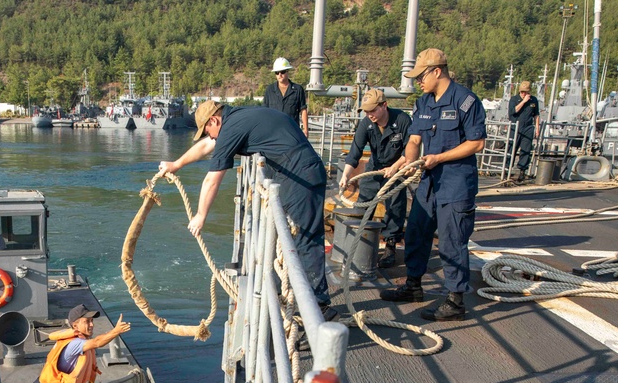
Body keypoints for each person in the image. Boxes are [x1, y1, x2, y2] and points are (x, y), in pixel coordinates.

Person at [157, 101, 336, 319]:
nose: (210, 136)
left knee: (304, 240)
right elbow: (206, 146)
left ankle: (319, 310)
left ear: (214, 120)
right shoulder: (237, 119)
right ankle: (291, 300)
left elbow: (212, 179)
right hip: (294, 171)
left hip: (300, 175)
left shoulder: (231, 127)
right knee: (291, 237)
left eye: (208, 131)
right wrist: (175, 165)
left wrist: (200, 216)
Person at [380, 48, 487, 321]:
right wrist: (408, 164)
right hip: (428, 182)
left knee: (452, 241)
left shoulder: (466, 101)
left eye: (421, 77)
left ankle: (455, 300)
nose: (418, 82)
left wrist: (439, 157)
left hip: (455, 183)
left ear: (437, 71)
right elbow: (414, 140)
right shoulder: (424, 103)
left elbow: (476, 143)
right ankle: (413, 285)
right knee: (416, 230)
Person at [338, 89, 412, 268]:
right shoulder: (366, 124)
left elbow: (410, 150)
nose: (369, 115)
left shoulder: (402, 120)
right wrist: (346, 174)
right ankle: (359, 241)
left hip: (397, 166)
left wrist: (395, 168)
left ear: (384, 106)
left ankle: (390, 245)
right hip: (376, 167)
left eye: (372, 110)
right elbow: (355, 151)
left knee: (395, 205)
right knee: (364, 203)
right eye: (366, 111)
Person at [27, 304, 131, 383]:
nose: (92, 324)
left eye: (92, 321)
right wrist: (116, 331)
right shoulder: (75, 343)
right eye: (87, 321)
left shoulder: (80, 339)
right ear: (75, 326)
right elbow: (97, 342)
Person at [263, 57, 309, 136]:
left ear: (287, 71)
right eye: (277, 73)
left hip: (292, 132)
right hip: (273, 132)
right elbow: (264, 112)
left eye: (282, 72)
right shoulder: (270, 90)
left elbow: (303, 110)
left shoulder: (298, 90)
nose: (280, 75)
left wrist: (306, 129)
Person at [507, 80, 540, 181]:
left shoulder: (534, 100)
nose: (523, 94)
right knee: (512, 148)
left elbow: (536, 115)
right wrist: (524, 101)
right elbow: (513, 111)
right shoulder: (514, 99)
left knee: (526, 149)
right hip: (515, 126)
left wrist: (537, 128)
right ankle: (506, 169)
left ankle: (522, 171)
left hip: (528, 127)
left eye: (525, 92)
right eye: (522, 92)